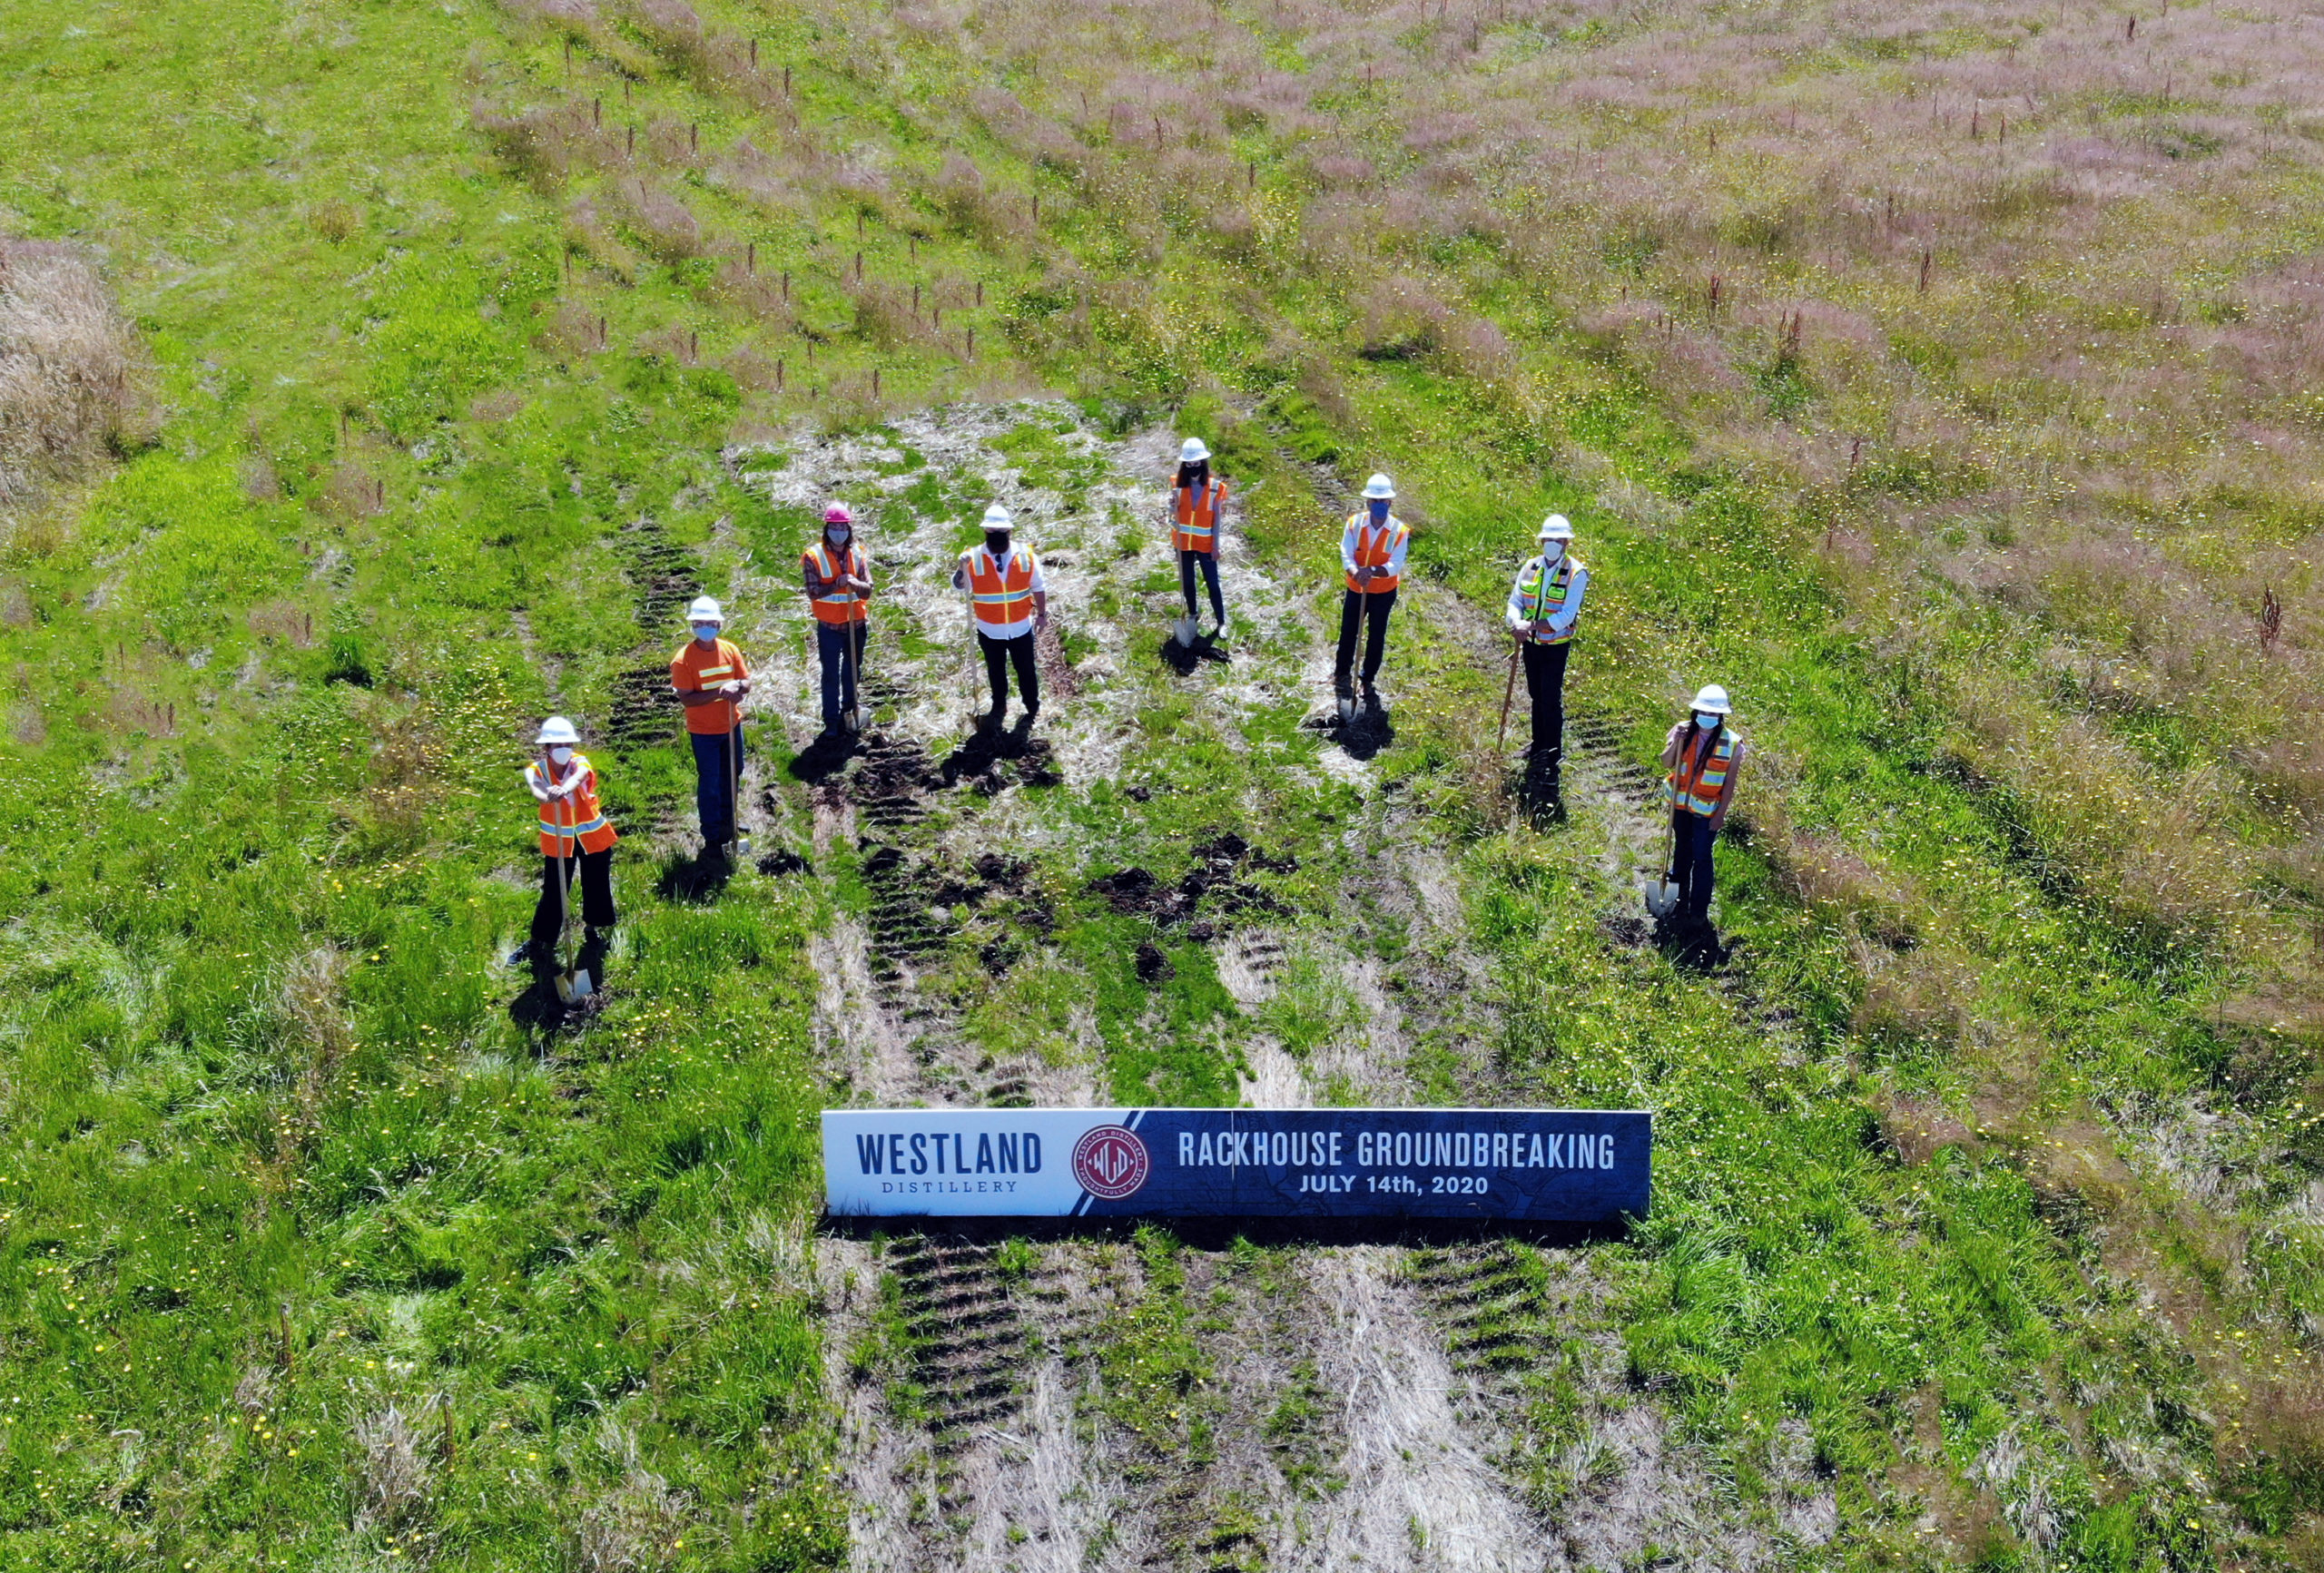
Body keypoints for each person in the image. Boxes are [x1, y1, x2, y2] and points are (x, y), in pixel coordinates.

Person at [522, 715, 616, 963]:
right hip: (560, 842)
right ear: (547, 748)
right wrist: (548, 794)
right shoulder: (537, 770)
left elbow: (580, 776)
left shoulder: (579, 762)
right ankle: (541, 940)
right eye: (557, 745)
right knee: (554, 891)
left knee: (596, 883)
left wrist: (565, 788)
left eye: (567, 744)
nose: (563, 749)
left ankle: (594, 929)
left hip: (592, 836)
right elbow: (537, 791)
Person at [1503, 514, 1587, 790]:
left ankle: (1552, 754)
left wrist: (1533, 626)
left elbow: (1566, 615)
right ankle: (1538, 744)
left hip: (1555, 645)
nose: (1553, 543)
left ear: (1566, 542)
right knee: (1535, 694)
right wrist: (1515, 622)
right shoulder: (1531, 566)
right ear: (1542, 541)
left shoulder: (1577, 572)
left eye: (1559, 539)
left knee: (1550, 697)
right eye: (1548, 539)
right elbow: (1515, 600)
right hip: (1530, 644)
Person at [951, 504, 1049, 727]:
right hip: (989, 628)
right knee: (996, 670)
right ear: (985, 532)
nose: (997, 536)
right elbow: (959, 586)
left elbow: (1039, 586)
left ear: (1010, 532)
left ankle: (1032, 706)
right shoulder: (972, 557)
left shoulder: (1026, 555)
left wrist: (1042, 614)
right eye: (992, 532)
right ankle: (998, 706)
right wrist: (960, 568)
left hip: (1020, 626)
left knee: (1026, 670)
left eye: (1001, 532)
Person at [670, 595, 752, 857]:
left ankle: (730, 824)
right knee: (710, 781)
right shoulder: (683, 660)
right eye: (699, 623)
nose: (705, 627)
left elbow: (746, 681)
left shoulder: (730, 650)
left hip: (731, 726)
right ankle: (712, 833)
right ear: (693, 626)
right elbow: (686, 698)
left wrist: (738, 687)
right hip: (704, 732)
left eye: (710, 622)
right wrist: (720, 691)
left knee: (733, 772)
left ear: (718, 625)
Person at [1660, 685, 1746, 928]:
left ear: (1721, 716)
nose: (1707, 717)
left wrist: (1721, 815)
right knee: (1681, 852)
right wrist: (1676, 742)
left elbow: (1729, 784)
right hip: (1680, 808)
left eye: (1713, 714)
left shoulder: (1733, 743)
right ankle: (1677, 901)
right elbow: (1666, 761)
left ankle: (1698, 911)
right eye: (1703, 712)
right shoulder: (1682, 731)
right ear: (1696, 711)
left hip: (1707, 813)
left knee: (1702, 857)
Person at [1334, 473, 1408, 711]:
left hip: (1384, 592)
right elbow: (1346, 552)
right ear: (1367, 503)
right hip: (1357, 588)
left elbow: (1395, 565)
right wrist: (1356, 571)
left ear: (1390, 503)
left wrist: (1372, 571)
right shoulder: (1354, 524)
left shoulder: (1399, 530)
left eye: (1383, 501)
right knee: (1349, 631)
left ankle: (1367, 678)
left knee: (1377, 635)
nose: (1379, 505)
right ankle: (1342, 673)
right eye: (1374, 502)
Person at [803, 501, 872, 734]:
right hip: (829, 627)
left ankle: (851, 710)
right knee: (831, 674)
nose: (839, 532)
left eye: (843, 527)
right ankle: (831, 720)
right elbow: (813, 591)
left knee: (852, 671)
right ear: (827, 529)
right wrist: (836, 585)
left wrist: (855, 582)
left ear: (849, 529)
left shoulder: (858, 553)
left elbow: (868, 589)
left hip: (856, 625)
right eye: (835, 527)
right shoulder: (813, 556)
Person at [1171, 437, 1229, 641]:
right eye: (1189, 464)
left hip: (1205, 545)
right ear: (1184, 465)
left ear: (1203, 463)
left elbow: (1217, 521)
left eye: (1196, 463)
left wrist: (1215, 546)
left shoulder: (1215, 487)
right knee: (1188, 582)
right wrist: (1171, 506)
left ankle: (1221, 622)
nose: (1193, 467)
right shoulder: (1177, 486)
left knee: (1213, 584)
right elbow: (1174, 514)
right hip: (1183, 544)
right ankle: (1193, 614)